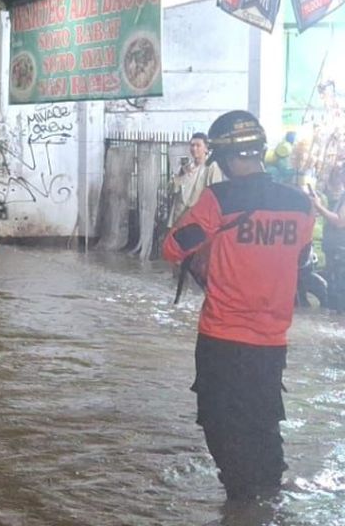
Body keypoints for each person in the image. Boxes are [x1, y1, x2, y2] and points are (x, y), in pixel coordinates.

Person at [162, 110, 314, 502]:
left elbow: (173, 246)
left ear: (226, 160)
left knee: (220, 423)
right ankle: (268, 500)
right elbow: (299, 259)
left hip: (223, 338)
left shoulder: (219, 199)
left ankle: (241, 501)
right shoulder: (300, 206)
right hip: (272, 343)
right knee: (264, 424)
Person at [307, 164, 345, 311]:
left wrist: (318, 206)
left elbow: (340, 221)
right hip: (335, 251)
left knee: (338, 295)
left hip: (341, 253)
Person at [168, 133, 223, 227]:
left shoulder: (211, 167)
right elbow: (173, 190)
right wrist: (180, 175)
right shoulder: (186, 167)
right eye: (192, 145)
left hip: (198, 219)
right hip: (180, 216)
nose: (194, 148)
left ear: (206, 148)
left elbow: (215, 195)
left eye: (198, 145)